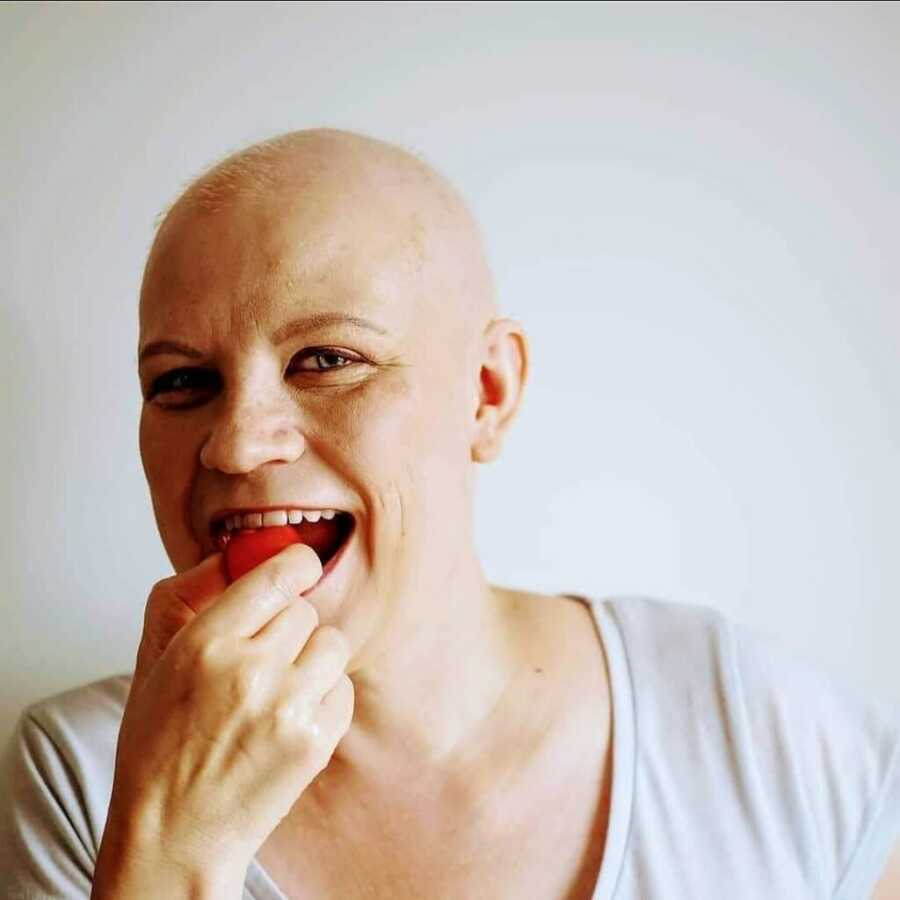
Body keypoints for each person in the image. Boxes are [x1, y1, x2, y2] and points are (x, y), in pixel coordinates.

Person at [2, 128, 900, 900]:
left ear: (486, 392)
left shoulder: (768, 732)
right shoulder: (80, 778)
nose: (234, 446)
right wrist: (166, 855)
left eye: (325, 359)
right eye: (181, 381)